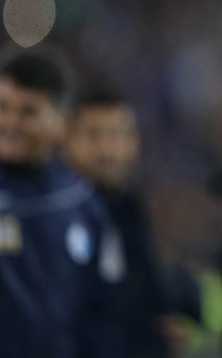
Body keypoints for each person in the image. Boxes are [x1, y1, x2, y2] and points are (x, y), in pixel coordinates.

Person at [0, 44, 121, 358]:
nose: (10, 123)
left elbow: (104, 311)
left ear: (60, 124)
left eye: (28, 112)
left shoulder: (83, 203)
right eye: (2, 107)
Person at [64, 88, 182, 358]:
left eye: (117, 135)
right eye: (94, 135)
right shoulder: (52, 214)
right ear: (67, 140)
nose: (107, 151)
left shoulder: (130, 211)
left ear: (134, 142)